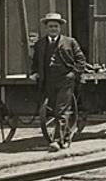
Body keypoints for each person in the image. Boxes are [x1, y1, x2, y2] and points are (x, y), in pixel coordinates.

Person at [29, 12, 87, 151]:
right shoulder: (40, 44)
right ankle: (65, 139)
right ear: (46, 28)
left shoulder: (70, 42)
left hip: (65, 80)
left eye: (55, 26)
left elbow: (81, 61)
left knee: (61, 110)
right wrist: (35, 73)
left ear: (60, 27)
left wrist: (73, 74)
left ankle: (56, 141)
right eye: (50, 26)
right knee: (57, 110)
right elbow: (36, 62)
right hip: (48, 80)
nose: (53, 29)